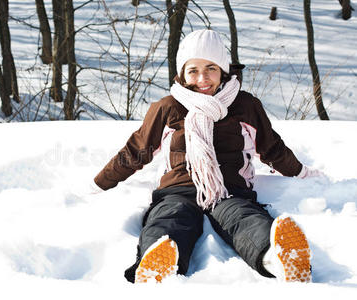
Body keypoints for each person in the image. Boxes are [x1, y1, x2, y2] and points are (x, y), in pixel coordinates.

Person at [91, 29, 323, 284]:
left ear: (223, 70)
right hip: (177, 189)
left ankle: (278, 259)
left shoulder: (245, 106)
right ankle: (156, 265)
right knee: (169, 219)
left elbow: (272, 149)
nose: (202, 78)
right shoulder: (168, 107)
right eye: (193, 70)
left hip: (228, 190)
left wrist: (302, 173)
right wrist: (99, 184)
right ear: (182, 73)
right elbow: (136, 151)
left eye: (211, 68)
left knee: (244, 218)